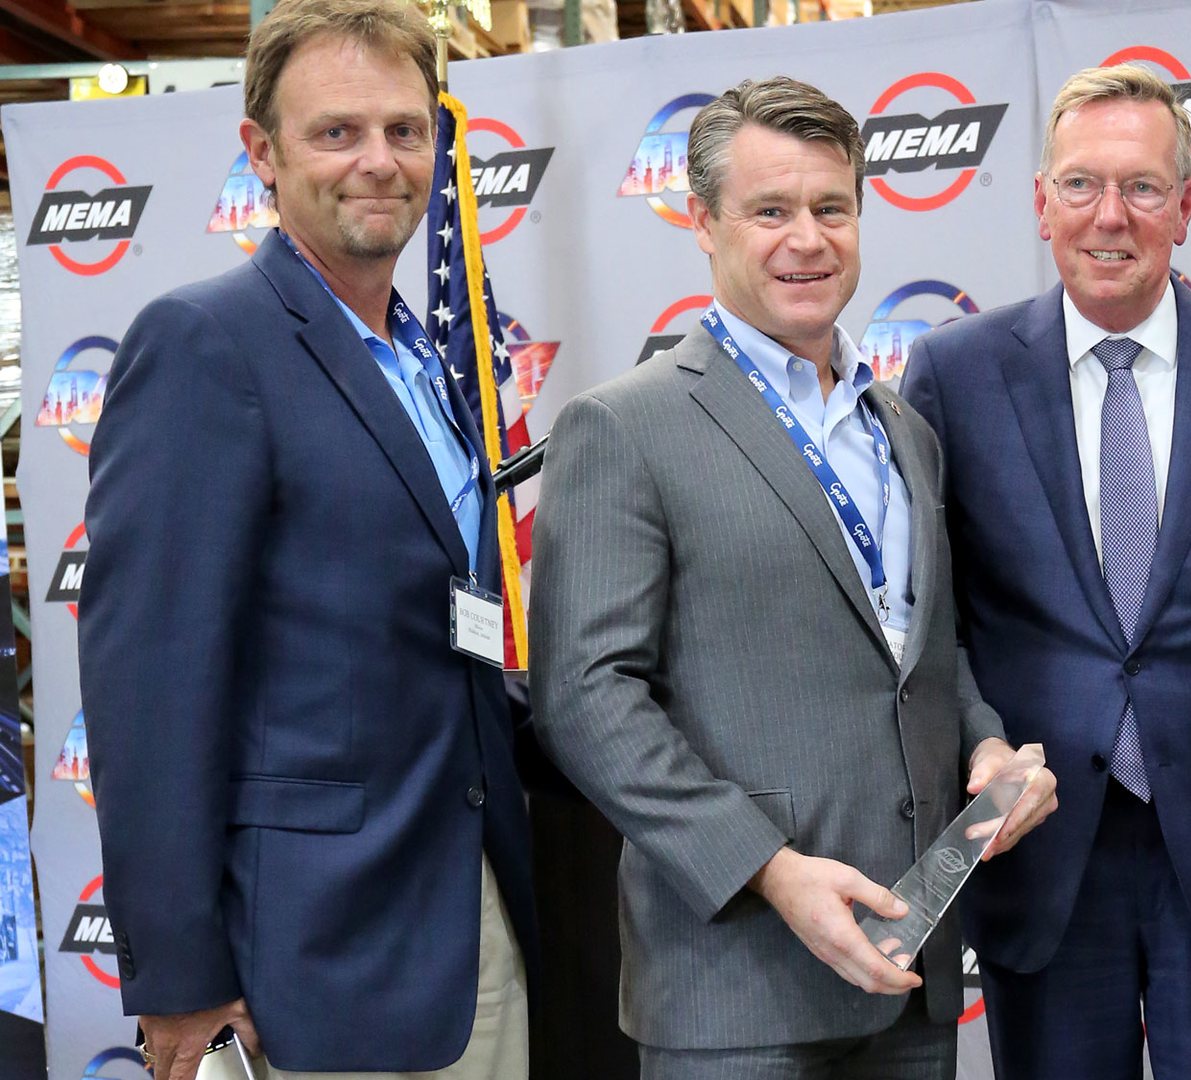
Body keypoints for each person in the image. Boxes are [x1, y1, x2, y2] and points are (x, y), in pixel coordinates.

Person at [528, 76, 1056, 1080]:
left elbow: (925, 652)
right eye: (770, 211)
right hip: (736, 986)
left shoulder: (905, 431)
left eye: (831, 207)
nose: (807, 240)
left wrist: (986, 748)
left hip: (908, 968)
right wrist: (767, 869)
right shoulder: (624, 426)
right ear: (703, 223)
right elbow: (584, 698)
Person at [78, 1, 537, 1078]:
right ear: (263, 153)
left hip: (472, 917)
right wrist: (180, 978)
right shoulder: (204, 344)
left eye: (405, 130)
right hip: (311, 963)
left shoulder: (430, 363)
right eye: (337, 131)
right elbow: (151, 690)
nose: (379, 161)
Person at [900, 65, 1191, 1079]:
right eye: (1081, 184)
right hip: (1038, 844)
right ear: (1041, 202)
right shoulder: (953, 374)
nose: (1110, 216)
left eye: (1143, 187)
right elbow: (936, 618)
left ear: (1185, 206)